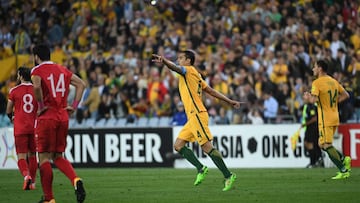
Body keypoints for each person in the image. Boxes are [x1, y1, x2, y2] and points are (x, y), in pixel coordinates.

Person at [152, 50, 241, 191]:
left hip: (197, 114)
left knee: (207, 147)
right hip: (193, 116)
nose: (178, 60)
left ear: (188, 61)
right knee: (178, 145)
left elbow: (175, 67)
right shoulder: (196, 75)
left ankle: (228, 175)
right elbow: (211, 91)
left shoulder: (187, 70)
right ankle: (200, 168)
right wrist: (229, 101)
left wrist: (165, 62)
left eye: (181, 58)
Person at [31, 44, 86, 203]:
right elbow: (81, 84)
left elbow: (36, 87)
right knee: (58, 156)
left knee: (44, 158)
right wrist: (74, 107)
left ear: (36, 57)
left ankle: (49, 199)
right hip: (63, 116)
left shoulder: (37, 70)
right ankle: (76, 180)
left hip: (47, 116)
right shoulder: (62, 69)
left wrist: (41, 107)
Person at [306, 59, 351, 179]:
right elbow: (346, 95)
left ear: (320, 68)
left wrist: (308, 97)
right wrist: (333, 103)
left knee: (326, 145)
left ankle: (343, 170)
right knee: (321, 144)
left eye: (314, 67)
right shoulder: (333, 81)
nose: (313, 69)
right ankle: (343, 158)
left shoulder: (317, 83)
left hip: (325, 118)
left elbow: (314, 101)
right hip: (334, 116)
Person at [6, 67, 38, 190]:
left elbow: (8, 110)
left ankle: (26, 176)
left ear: (20, 75)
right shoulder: (36, 89)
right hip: (33, 127)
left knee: (21, 157)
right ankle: (33, 183)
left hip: (20, 128)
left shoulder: (14, 90)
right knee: (32, 155)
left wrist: (12, 117)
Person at [301, 92, 322, 168]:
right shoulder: (307, 106)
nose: (303, 97)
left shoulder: (311, 106)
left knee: (310, 144)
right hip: (310, 128)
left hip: (312, 128)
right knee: (309, 144)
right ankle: (317, 160)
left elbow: (314, 118)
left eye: (305, 95)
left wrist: (305, 124)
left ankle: (314, 162)